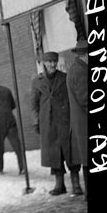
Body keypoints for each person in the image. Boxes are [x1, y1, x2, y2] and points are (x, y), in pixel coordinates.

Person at [31, 51, 83, 195]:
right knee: (54, 155)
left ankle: (76, 184)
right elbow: (34, 104)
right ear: (44, 63)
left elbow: (73, 99)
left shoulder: (64, 78)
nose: (53, 64)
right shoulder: (37, 81)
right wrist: (36, 121)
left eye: (54, 61)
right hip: (48, 123)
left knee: (71, 153)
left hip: (66, 121)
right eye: (49, 62)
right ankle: (59, 185)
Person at [66, 39, 88, 199]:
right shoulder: (81, 71)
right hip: (85, 124)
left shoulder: (75, 69)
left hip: (81, 124)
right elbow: (85, 99)